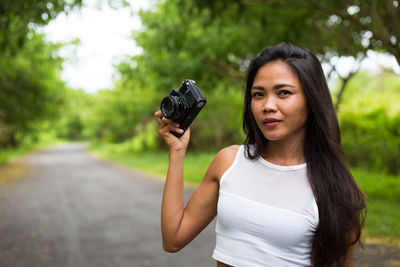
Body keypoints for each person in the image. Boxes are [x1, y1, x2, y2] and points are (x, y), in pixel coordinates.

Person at [154, 43, 366, 267]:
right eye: (258, 94)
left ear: (311, 99)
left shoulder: (335, 189)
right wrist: (177, 153)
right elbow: (173, 239)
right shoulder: (229, 162)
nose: (268, 105)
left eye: (284, 93)